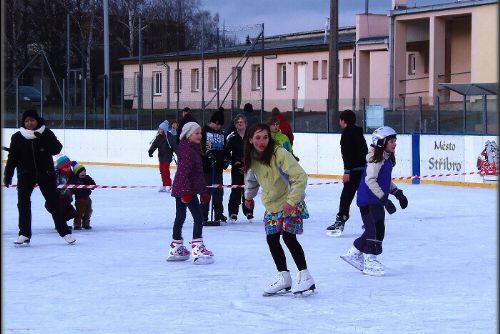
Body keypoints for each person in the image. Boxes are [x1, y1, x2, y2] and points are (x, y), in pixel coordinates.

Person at [243, 123, 315, 296]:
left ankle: (305, 277)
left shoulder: (280, 154)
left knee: (289, 238)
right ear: (251, 140)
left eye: (265, 137)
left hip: (291, 202)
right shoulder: (253, 158)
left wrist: (292, 201)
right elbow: (252, 180)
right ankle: (284, 277)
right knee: (272, 239)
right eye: (258, 137)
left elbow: (300, 177)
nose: (262, 141)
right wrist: (248, 197)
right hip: (272, 205)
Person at [340, 126, 408, 276]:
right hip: (368, 199)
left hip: (376, 199)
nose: (394, 143)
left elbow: (384, 181)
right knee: (374, 230)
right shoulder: (375, 160)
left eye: (395, 140)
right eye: (391, 141)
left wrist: (398, 194)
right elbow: (370, 180)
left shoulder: (386, 158)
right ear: (381, 142)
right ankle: (370, 260)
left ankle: (354, 252)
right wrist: (384, 199)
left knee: (378, 228)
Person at [3, 109, 75, 246]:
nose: (30, 123)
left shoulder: (46, 133)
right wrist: (8, 175)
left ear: (37, 121)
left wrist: (42, 138)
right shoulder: (17, 137)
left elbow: (57, 149)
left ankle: (65, 232)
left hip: (46, 175)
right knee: (23, 204)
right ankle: (24, 234)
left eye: (32, 120)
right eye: (27, 121)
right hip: (25, 175)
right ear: (23, 123)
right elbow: (12, 158)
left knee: (54, 203)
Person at [169, 121, 213, 264]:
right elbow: (183, 174)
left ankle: (176, 248)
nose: (200, 135)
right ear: (188, 135)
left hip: (182, 189)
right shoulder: (188, 151)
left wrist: (203, 192)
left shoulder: (189, 148)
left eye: (200, 133)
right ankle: (198, 248)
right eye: (196, 133)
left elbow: (196, 175)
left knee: (180, 217)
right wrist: (186, 193)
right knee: (198, 218)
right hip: (186, 190)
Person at [326, 109, 368, 237]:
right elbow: (365, 151)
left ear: (343, 121)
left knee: (346, 196)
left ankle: (341, 219)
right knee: (363, 197)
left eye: (340, 120)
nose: (340, 122)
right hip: (364, 170)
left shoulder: (346, 134)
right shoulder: (359, 133)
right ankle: (369, 221)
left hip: (353, 171)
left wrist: (347, 171)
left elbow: (347, 154)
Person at [201, 107, 228, 224]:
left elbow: (225, 148)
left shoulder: (222, 133)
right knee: (206, 192)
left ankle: (218, 212)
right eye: (218, 124)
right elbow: (200, 146)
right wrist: (206, 154)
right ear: (215, 122)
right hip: (207, 168)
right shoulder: (204, 131)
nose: (219, 127)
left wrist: (226, 159)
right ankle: (203, 214)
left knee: (218, 192)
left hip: (218, 168)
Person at [224, 114, 254, 223]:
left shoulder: (251, 137)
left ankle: (249, 211)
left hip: (249, 168)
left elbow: (255, 151)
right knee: (236, 190)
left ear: (246, 124)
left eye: (242, 122)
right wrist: (233, 161)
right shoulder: (231, 137)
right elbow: (226, 153)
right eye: (237, 122)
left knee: (248, 189)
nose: (240, 124)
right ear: (235, 125)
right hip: (237, 168)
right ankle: (233, 212)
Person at [148, 120, 177, 192]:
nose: (159, 130)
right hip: (161, 156)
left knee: (165, 170)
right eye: (159, 128)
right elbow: (154, 145)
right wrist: (150, 151)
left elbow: (174, 146)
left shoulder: (169, 136)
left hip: (167, 156)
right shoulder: (158, 137)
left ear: (164, 129)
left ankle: (168, 184)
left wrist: (178, 153)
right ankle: (164, 184)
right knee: (161, 170)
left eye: (161, 129)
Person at [70, 162, 96, 230]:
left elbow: (93, 185)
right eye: (81, 172)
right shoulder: (74, 180)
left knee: (89, 211)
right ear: (77, 173)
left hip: (87, 198)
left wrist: (91, 183)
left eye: (84, 171)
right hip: (79, 199)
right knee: (80, 212)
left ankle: (86, 224)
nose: (83, 173)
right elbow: (71, 188)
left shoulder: (87, 178)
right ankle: (77, 224)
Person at [52, 155, 78, 222]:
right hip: (55, 199)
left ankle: (61, 223)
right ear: (61, 167)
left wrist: (76, 166)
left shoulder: (72, 174)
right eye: (66, 167)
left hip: (67, 199)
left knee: (72, 213)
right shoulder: (55, 174)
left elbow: (80, 173)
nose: (68, 168)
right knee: (60, 208)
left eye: (69, 166)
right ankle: (61, 224)